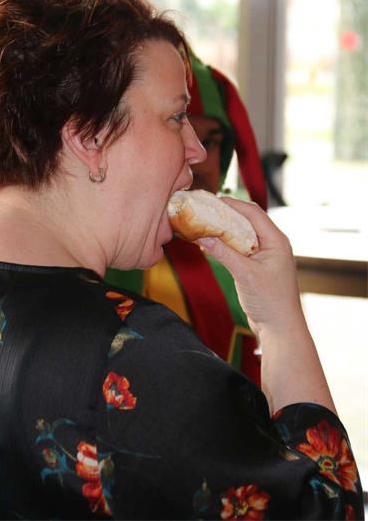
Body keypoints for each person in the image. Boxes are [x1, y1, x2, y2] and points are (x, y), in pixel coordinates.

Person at [0, 0, 363, 521]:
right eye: (176, 117)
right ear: (89, 138)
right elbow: (328, 510)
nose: (197, 150)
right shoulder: (133, 359)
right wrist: (279, 322)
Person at [106, 54, 268, 384]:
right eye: (177, 125)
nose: (201, 160)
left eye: (213, 141)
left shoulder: (243, 266)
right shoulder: (97, 258)